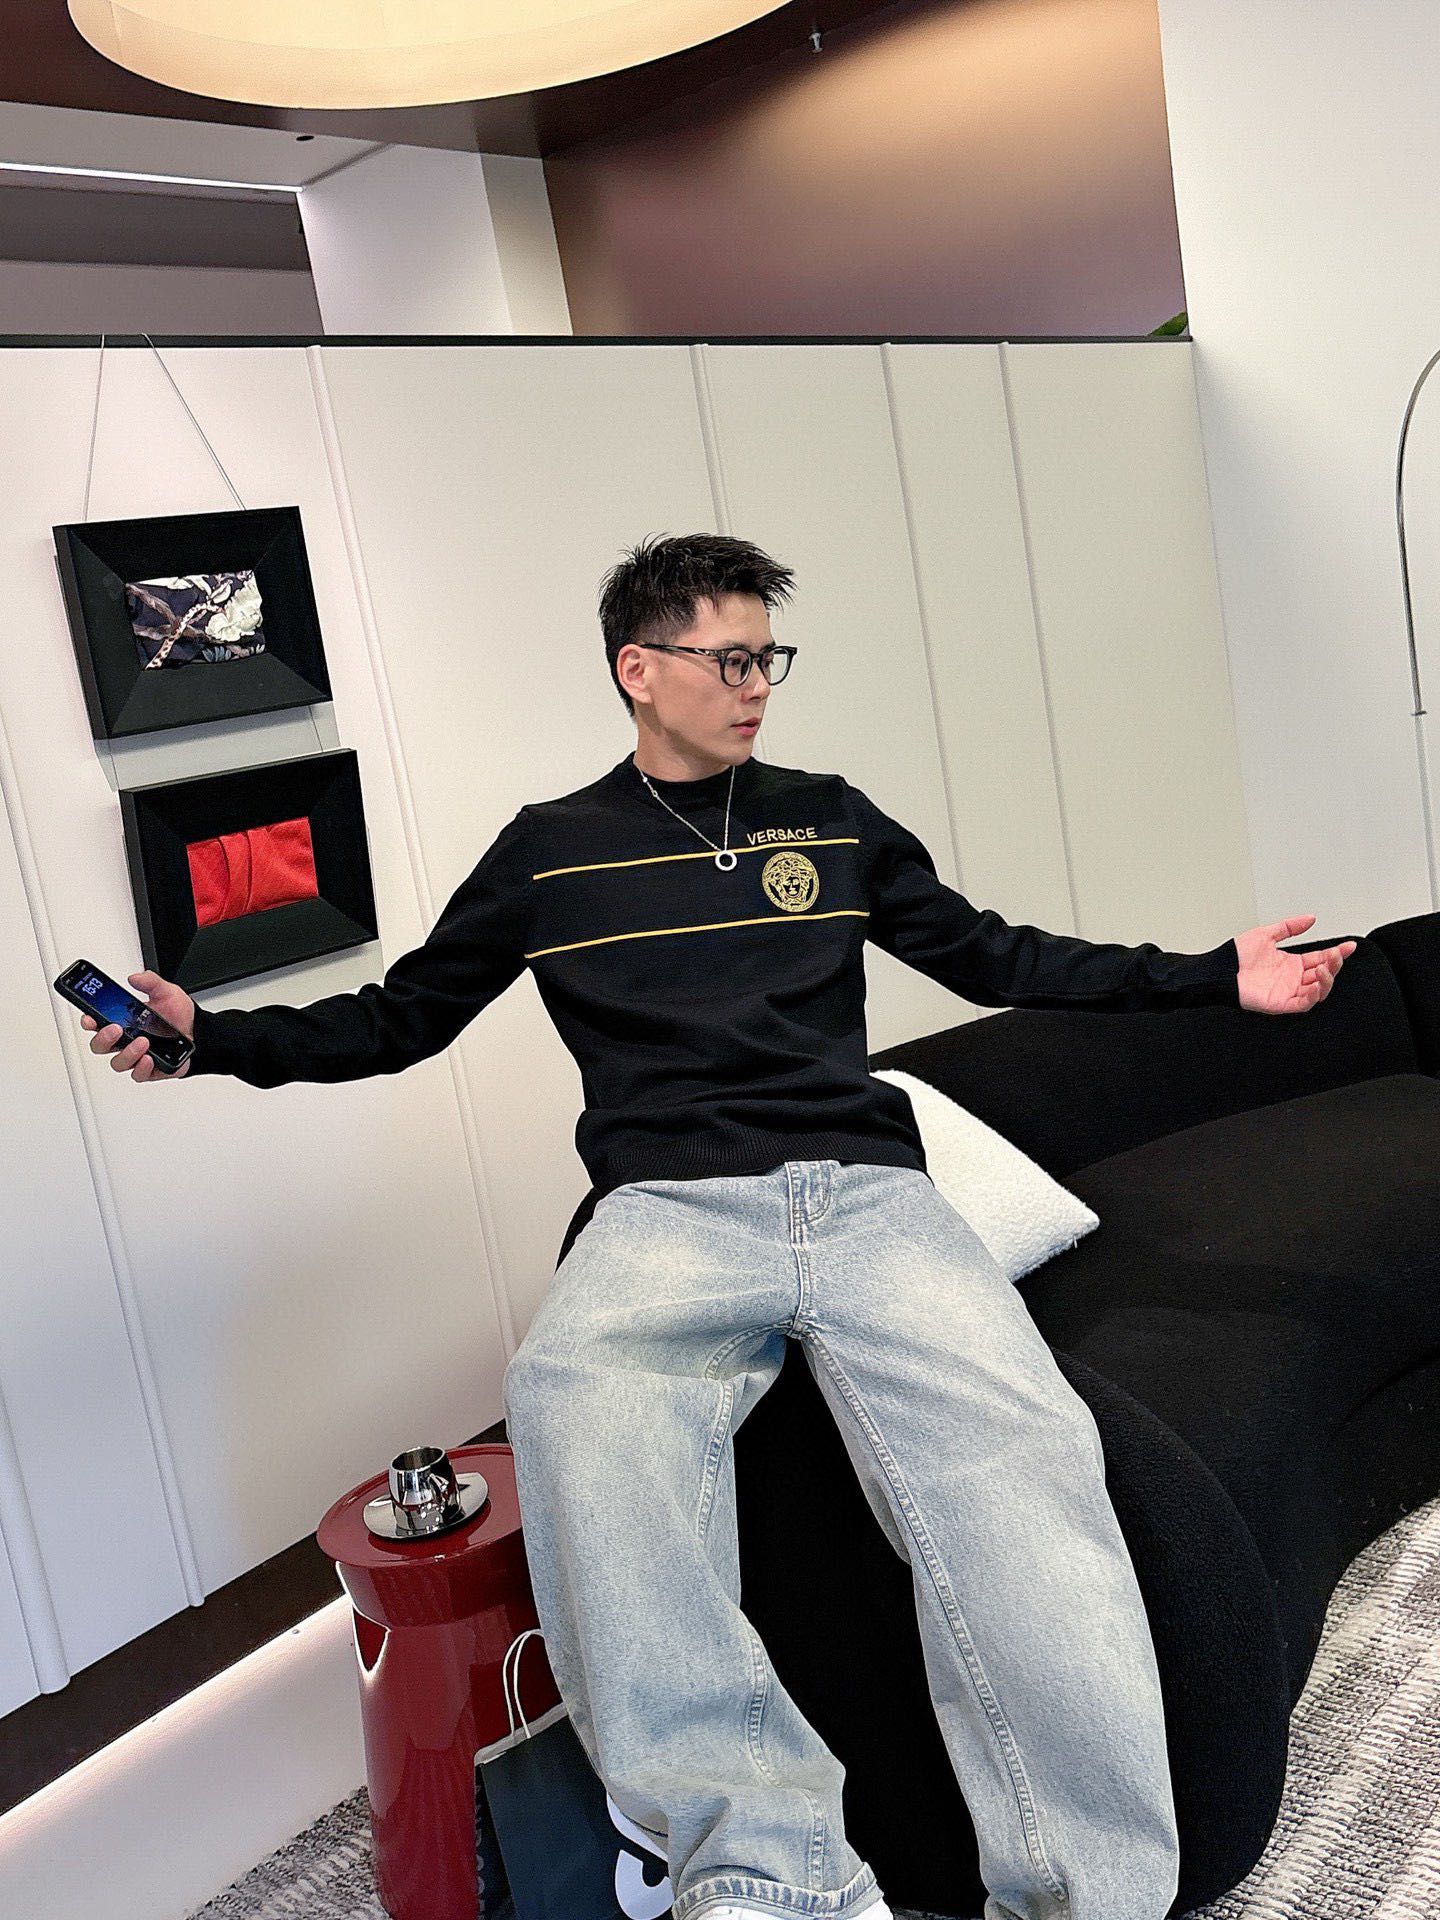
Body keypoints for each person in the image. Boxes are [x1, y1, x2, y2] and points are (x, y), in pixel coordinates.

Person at [82, 532, 1355, 1920]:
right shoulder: (550, 854)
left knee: (1030, 1457)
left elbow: (997, 954)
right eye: (729, 659)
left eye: (768, 659)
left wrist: (1213, 976)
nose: (757, 687)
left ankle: (1088, 1895)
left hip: (867, 1198)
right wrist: (214, 1039)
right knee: (570, 1403)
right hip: (667, 1212)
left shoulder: (830, 818)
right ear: (639, 669)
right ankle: (771, 1872)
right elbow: (399, 1019)